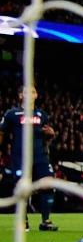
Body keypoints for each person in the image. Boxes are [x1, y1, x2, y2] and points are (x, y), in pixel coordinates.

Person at [4, 86, 58, 231]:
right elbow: (3, 134)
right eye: (27, 92)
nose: (30, 94)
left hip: (40, 157)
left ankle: (46, 221)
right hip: (20, 158)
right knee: (22, 188)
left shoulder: (42, 115)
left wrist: (51, 135)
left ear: (36, 95)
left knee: (47, 184)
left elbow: (47, 138)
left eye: (33, 92)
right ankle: (23, 221)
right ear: (21, 95)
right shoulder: (12, 114)